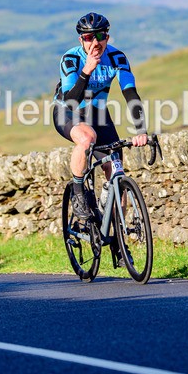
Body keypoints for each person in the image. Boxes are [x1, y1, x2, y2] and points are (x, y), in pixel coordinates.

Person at [53, 12, 148, 220]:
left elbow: (130, 94)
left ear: (107, 36)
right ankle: (78, 193)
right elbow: (71, 101)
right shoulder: (71, 58)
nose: (95, 42)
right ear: (81, 40)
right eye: (88, 37)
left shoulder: (117, 58)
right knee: (87, 139)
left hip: (98, 115)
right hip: (68, 112)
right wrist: (86, 71)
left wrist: (141, 130)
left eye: (100, 36)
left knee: (115, 171)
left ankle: (118, 240)